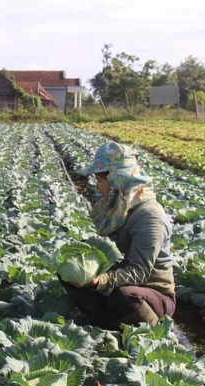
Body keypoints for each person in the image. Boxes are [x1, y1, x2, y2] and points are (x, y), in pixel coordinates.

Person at [61, 141, 175, 328]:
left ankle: (151, 330)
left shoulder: (149, 217)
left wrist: (100, 280)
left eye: (99, 181)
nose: (97, 187)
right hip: (118, 281)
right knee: (70, 274)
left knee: (123, 297)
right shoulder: (115, 208)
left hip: (152, 293)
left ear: (116, 181)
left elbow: (140, 273)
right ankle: (104, 322)